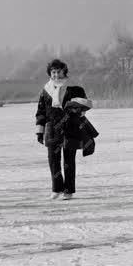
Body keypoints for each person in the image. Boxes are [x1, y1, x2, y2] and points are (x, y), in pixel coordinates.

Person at [35, 59, 97, 200]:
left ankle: (68, 190)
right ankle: (56, 189)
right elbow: (41, 111)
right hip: (52, 128)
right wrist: (40, 130)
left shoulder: (75, 87)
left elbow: (84, 106)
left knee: (69, 160)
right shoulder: (46, 90)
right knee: (53, 160)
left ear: (64, 71)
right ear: (50, 73)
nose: (56, 75)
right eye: (53, 72)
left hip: (70, 127)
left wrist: (78, 110)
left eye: (59, 71)